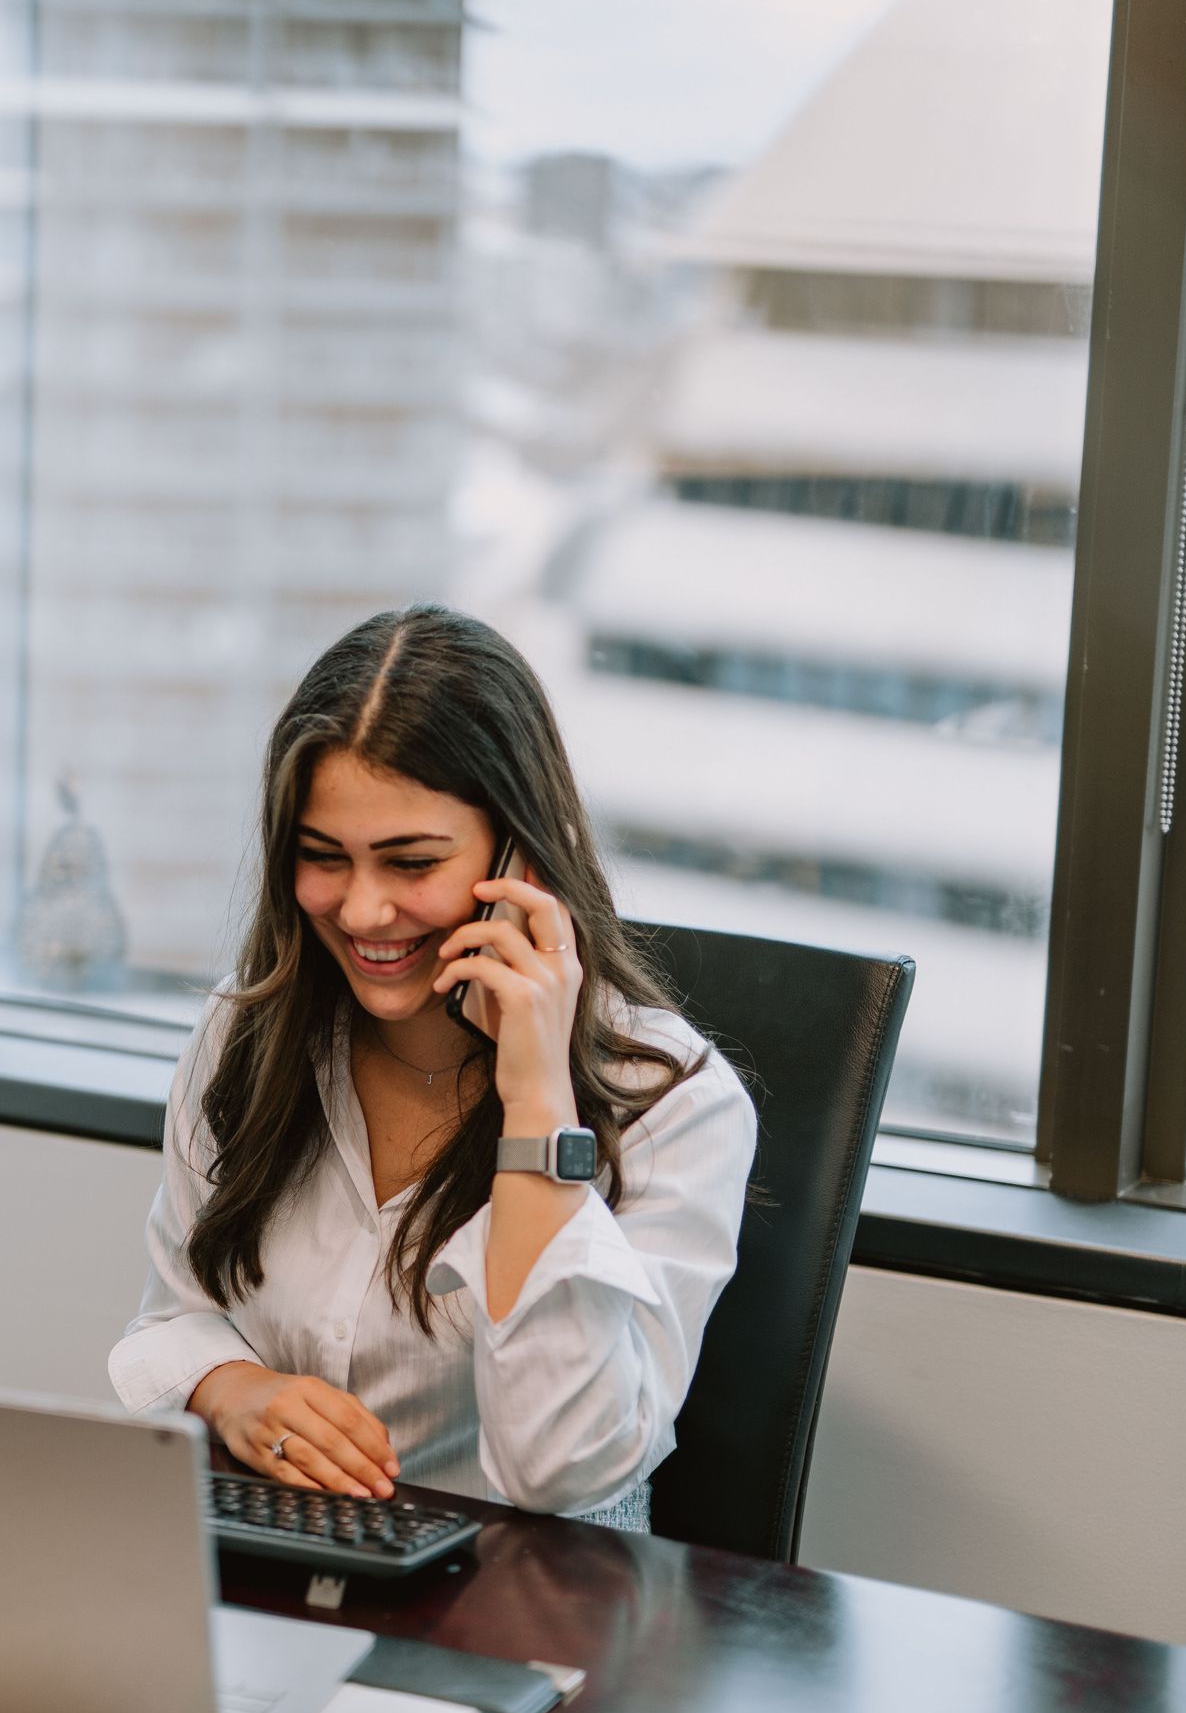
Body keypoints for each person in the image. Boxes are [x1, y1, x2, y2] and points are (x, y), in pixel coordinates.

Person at [108, 607, 756, 1524]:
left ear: (521, 852)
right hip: (285, 1578)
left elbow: (564, 1469)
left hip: (526, 1611)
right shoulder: (244, 1032)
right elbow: (174, 1312)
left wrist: (536, 1102)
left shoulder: (674, 1105)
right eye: (323, 857)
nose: (364, 911)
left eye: (412, 862)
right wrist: (232, 1386)